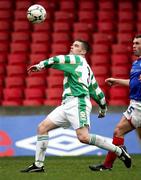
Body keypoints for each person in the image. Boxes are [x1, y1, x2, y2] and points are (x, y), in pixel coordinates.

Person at [21, 39, 131, 173]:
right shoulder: (87, 69)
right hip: (67, 104)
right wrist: (103, 108)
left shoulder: (76, 59)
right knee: (42, 127)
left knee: (83, 137)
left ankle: (119, 151)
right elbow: (96, 90)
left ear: (83, 52)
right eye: (72, 45)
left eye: (76, 46)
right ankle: (38, 165)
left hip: (78, 103)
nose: (72, 47)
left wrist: (40, 65)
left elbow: (58, 59)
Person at [89, 34, 141, 171]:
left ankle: (108, 164)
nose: (134, 46)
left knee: (118, 131)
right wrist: (117, 81)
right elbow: (134, 83)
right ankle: (108, 164)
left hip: (139, 106)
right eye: (133, 43)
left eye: (137, 43)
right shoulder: (137, 63)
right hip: (135, 104)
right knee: (118, 131)